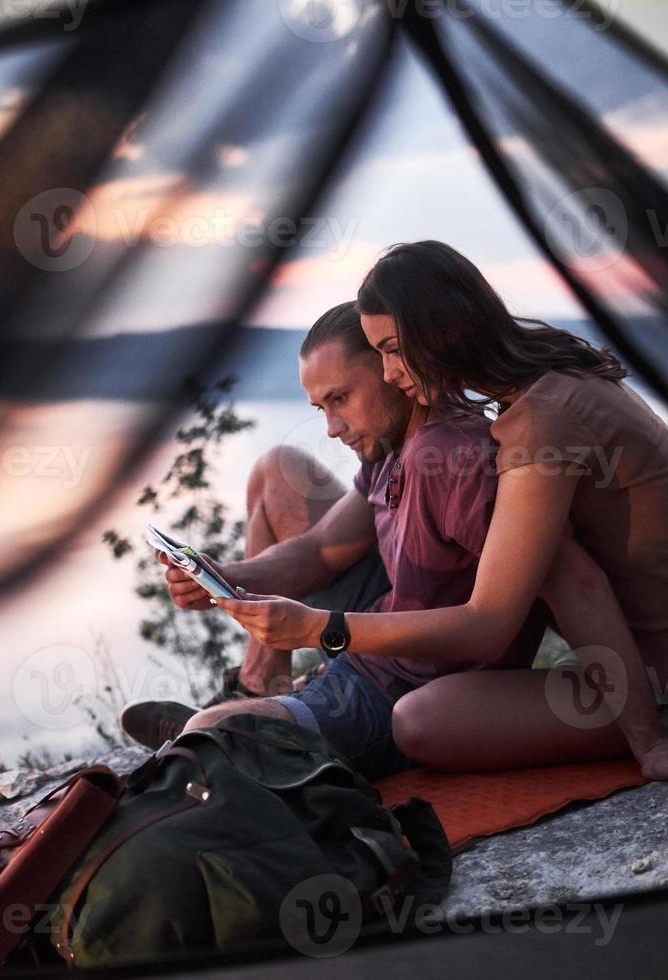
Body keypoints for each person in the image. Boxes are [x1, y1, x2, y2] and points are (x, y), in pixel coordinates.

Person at [213, 242, 668, 785]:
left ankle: (307, 714)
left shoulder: (543, 421)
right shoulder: (541, 385)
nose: (389, 374)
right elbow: (323, 549)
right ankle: (278, 691)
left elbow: (533, 605)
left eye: (391, 350)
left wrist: (651, 744)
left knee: (423, 722)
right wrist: (228, 580)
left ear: (444, 329)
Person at [125, 301, 571, 778]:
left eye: (341, 399)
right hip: (384, 622)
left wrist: (320, 627)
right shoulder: (392, 444)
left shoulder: (454, 461)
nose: (332, 428)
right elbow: (319, 551)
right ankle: (260, 690)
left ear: (392, 367)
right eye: (321, 407)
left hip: (404, 685)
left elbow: (523, 607)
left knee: (210, 733)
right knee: (276, 469)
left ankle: (264, 709)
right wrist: (226, 577)